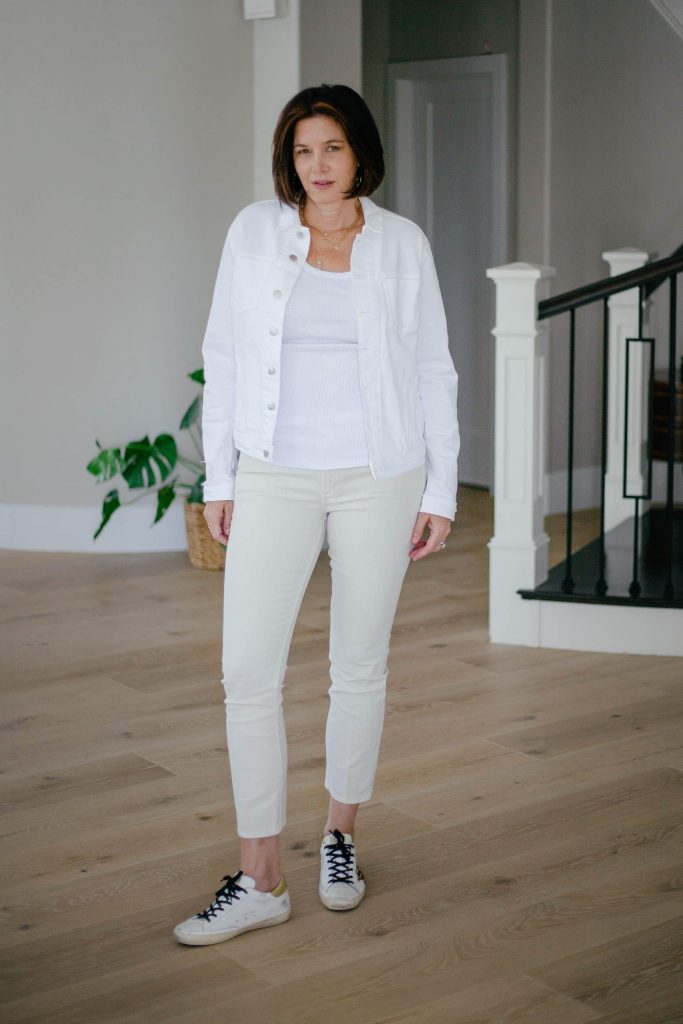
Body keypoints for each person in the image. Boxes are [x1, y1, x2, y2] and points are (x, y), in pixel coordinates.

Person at [174, 83, 459, 946]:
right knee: (246, 672)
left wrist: (439, 490)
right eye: (302, 151)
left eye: (331, 148)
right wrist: (218, 479)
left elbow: (432, 368)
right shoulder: (254, 232)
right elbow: (222, 356)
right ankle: (260, 875)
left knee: (357, 666)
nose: (316, 167)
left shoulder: (402, 244)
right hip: (273, 473)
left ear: (359, 152)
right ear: (286, 160)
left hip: (381, 474)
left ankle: (340, 836)